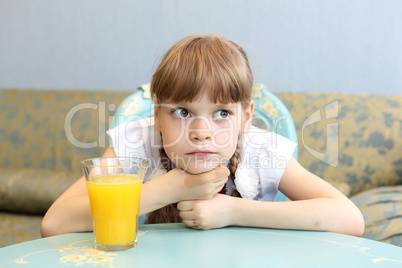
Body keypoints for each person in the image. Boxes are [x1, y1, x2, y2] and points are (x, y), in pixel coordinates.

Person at [41, 34, 364, 237]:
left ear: (245, 117)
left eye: (222, 113)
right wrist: (169, 188)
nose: (201, 133)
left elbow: (349, 219)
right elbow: (55, 223)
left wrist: (235, 211)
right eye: (181, 112)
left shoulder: (259, 151)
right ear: (157, 114)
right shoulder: (137, 144)